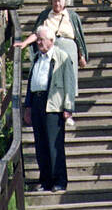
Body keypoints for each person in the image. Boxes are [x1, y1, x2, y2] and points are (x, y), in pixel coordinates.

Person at [24, 25, 77, 192]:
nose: (39, 42)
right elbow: (31, 83)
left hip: (54, 104)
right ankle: (45, 180)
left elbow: (69, 82)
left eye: (42, 39)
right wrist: (28, 106)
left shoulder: (62, 56)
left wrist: (68, 107)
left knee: (54, 145)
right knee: (40, 145)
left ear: (51, 40)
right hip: (37, 102)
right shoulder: (37, 58)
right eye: (38, 39)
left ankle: (59, 180)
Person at [19, 0, 88, 70]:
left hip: (69, 51)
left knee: (68, 79)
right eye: (55, 1)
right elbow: (36, 34)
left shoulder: (73, 16)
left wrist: (81, 56)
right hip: (49, 51)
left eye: (59, 1)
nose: (57, 4)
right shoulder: (45, 15)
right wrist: (24, 43)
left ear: (65, 2)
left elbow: (78, 38)